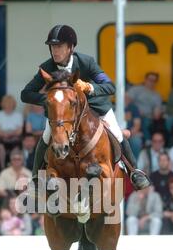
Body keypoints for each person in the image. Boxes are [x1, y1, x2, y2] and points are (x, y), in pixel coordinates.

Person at [21, 24, 151, 191]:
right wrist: (53, 100)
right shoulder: (47, 68)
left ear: (71, 47)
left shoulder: (86, 62)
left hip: (96, 107)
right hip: (63, 114)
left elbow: (110, 87)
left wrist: (90, 88)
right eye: (52, 46)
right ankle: (36, 177)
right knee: (46, 136)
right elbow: (26, 94)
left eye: (59, 46)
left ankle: (135, 171)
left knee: (118, 134)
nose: (55, 50)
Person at [127, 72, 162, 141]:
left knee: (147, 121)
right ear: (145, 79)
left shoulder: (157, 96)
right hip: (134, 115)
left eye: (154, 81)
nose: (151, 82)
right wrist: (135, 111)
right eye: (150, 80)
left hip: (147, 117)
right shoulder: (136, 89)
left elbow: (156, 114)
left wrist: (155, 113)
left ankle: (147, 141)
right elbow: (127, 100)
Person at [0, 95, 23, 169]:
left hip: (15, 138)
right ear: (3, 104)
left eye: (10, 103)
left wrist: (10, 134)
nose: (9, 105)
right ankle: (2, 168)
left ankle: (14, 167)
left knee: (16, 149)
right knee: (0, 147)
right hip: (2, 138)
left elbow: (19, 131)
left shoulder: (18, 115)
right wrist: (5, 134)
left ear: (14, 104)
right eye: (6, 103)